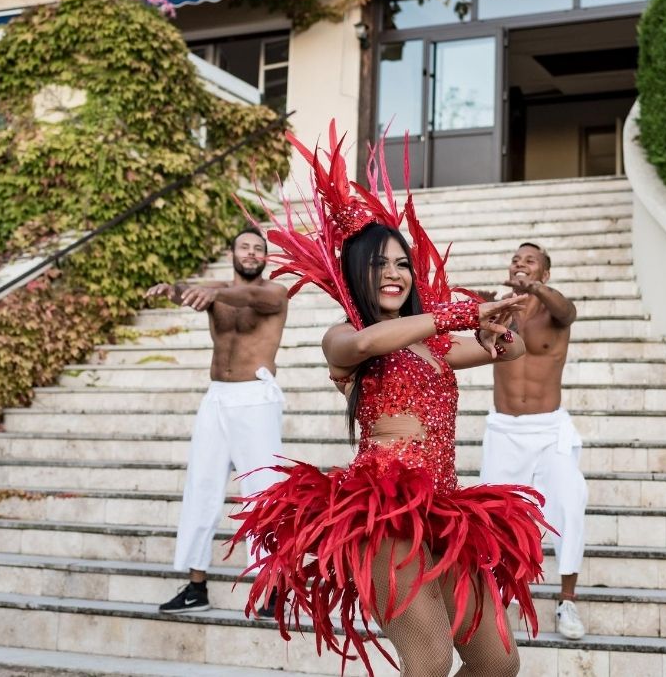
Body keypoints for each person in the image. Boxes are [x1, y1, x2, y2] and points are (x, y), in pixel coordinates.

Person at [229, 125, 551, 677]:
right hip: (382, 512)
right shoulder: (343, 337)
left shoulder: (432, 345)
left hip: (445, 511)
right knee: (426, 660)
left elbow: (512, 350)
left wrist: (499, 334)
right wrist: (455, 314)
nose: (395, 273)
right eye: (380, 264)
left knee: (497, 662)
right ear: (359, 273)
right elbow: (366, 343)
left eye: (402, 263)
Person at [145, 226, 288, 616]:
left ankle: (273, 588)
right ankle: (195, 587)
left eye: (258, 248)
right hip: (217, 398)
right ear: (232, 253)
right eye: (244, 246)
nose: (251, 252)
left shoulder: (274, 292)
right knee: (201, 488)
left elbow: (252, 296)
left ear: (264, 257)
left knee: (263, 495)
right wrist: (171, 288)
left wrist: (213, 292)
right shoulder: (216, 293)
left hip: (255, 398)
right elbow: (190, 293)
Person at [479, 242, 588, 641]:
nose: (520, 264)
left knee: (570, 502)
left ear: (544, 273)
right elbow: (479, 346)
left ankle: (567, 600)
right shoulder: (500, 310)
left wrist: (533, 290)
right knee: (495, 516)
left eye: (530, 261)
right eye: (515, 259)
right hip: (504, 429)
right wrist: (487, 315)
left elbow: (567, 312)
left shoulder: (554, 310)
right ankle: (498, 599)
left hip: (548, 429)